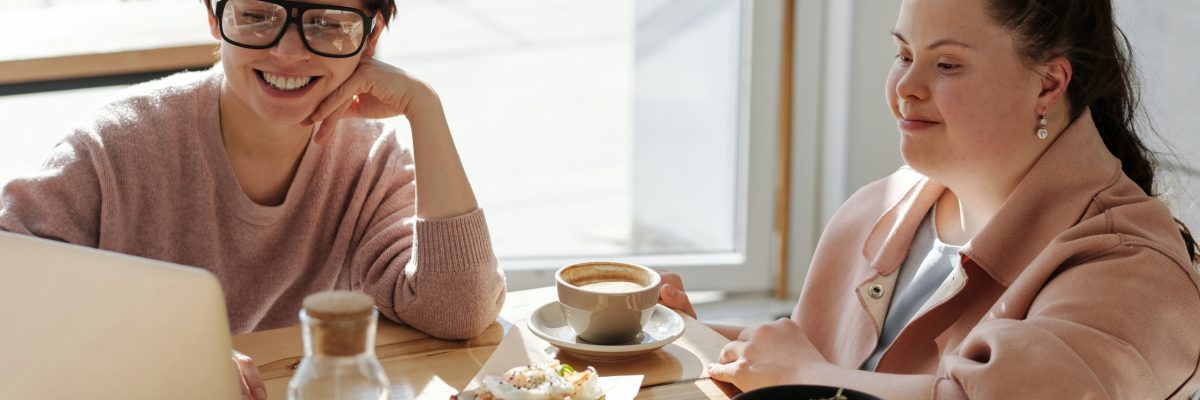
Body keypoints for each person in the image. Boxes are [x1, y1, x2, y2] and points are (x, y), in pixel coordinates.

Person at [659, 0, 1200, 397]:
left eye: (946, 65)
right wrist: (688, 331)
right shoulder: (876, 210)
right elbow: (820, 360)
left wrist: (803, 374)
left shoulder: (1133, 269)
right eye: (903, 54)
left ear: (1049, 84)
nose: (905, 86)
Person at [0, 0, 506, 398]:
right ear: (214, 16)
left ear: (370, 37)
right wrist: (157, 353)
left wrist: (424, 108)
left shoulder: (371, 160)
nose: (287, 52)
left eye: (328, 23)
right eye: (257, 16)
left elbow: (457, 311)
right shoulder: (115, 145)